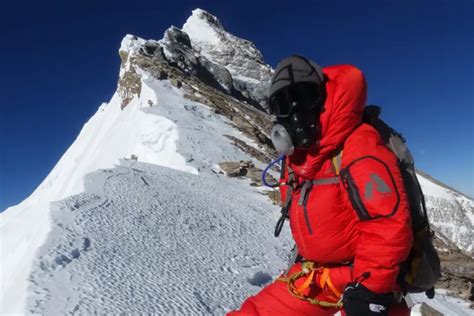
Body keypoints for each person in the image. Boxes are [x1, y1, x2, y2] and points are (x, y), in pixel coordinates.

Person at [228, 56, 413, 316]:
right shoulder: (297, 159)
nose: (294, 111)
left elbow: (387, 222)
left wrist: (372, 289)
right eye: (283, 105)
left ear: (323, 98)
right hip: (317, 275)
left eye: (304, 97)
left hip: (365, 279)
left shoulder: (358, 144)